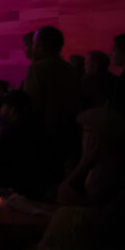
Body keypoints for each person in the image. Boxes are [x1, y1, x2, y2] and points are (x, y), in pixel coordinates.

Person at [0, 89, 54, 199]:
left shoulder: (13, 130)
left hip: (16, 190)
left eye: (3, 106)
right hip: (40, 188)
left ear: (12, 110)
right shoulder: (40, 128)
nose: (1, 109)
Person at [24, 26, 82, 165]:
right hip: (68, 131)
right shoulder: (69, 68)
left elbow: (31, 103)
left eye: (34, 43)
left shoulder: (37, 69)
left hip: (44, 132)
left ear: (40, 46)